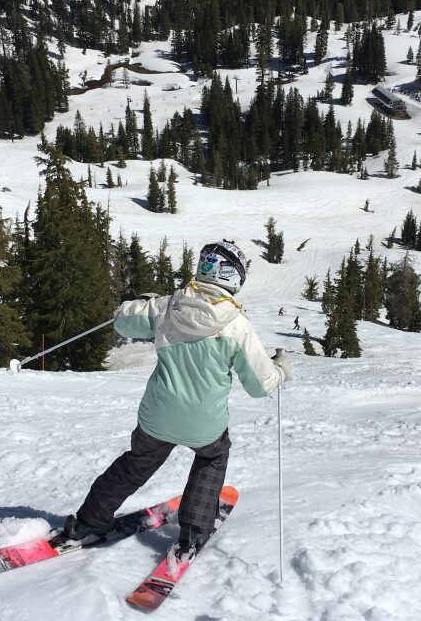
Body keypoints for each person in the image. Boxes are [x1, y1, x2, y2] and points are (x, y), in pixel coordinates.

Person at [63, 239, 292, 562]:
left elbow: (122, 320)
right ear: (234, 277)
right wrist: (280, 370)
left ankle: (89, 522)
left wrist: (142, 302)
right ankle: (193, 531)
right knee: (212, 457)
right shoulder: (237, 325)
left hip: (157, 416)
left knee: (136, 463)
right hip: (204, 424)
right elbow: (260, 385)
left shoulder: (168, 306)